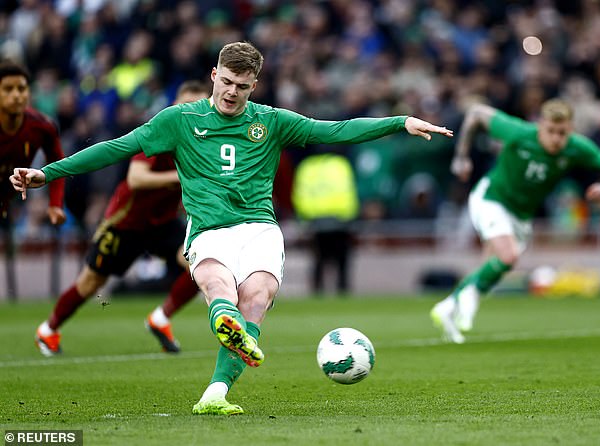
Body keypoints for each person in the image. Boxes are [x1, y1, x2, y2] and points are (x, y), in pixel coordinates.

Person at [10, 41, 453, 415]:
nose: (231, 93)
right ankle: (224, 319)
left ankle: (216, 392)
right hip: (207, 230)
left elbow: (335, 130)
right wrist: (47, 173)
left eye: (242, 86)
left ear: (254, 85)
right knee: (220, 285)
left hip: (259, 228)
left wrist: (400, 122)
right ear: (213, 74)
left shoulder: (272, 121)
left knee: (257, 297)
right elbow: (115, 148)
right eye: (226, 82)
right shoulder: (179, 120)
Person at [34, 80, 209, 357]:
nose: (191, 112)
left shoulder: (202, 143)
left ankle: (160, 319)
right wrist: (181, 177)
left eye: (198, 106)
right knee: (91, 283)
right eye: (185, 105)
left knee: (201, 266)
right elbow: (136, 178)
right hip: (125, 223)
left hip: (163, 222)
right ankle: (48, 329)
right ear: (174, 104)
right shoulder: (161, 131)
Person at [430, 99, 600, 344]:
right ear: (540, 126)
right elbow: (476, 112)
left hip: (521, 215)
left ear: (570, 130)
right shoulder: (519, 132)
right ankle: (464, 299)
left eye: (562, 133)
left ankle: (449, 306)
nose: (556, 139)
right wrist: (461, 156)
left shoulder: (576, 147)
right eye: (551, 131)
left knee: (497, 265)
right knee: (508, 256)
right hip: (492, 198)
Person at [0, 60, 66, 299]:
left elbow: (59, 166)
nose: (17, 95)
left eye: (22, 88)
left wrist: (55, 204)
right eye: (8, 89)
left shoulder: (42, 127)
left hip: (19, 194)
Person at [291, 152, 359, 295]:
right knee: (342, 261)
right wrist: (351, 217)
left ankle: (317, 292)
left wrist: (303, 219)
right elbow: (349, 192)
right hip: (340, 220)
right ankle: (343, 291)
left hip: (315, 221)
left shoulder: (307, 166)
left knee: (319, 260)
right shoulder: (341, 164)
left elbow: (300, 194)